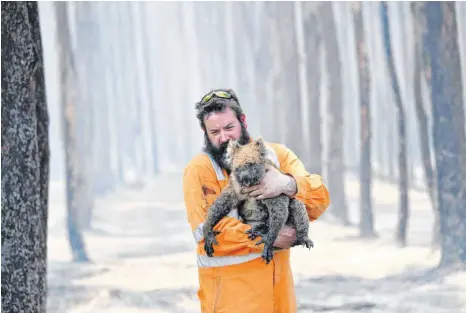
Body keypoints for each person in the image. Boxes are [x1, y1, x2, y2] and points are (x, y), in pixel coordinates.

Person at [183, 88, 331, 313]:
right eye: (214, 131)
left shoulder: (276, 156)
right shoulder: (200, 170)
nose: (224, 137)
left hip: (279, 300)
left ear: (243, 121)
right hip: (230, 303)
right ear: (205, 132)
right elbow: (207, 232)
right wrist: (268, 238)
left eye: (229, 127)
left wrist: (287, 184)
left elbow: (319, 199)